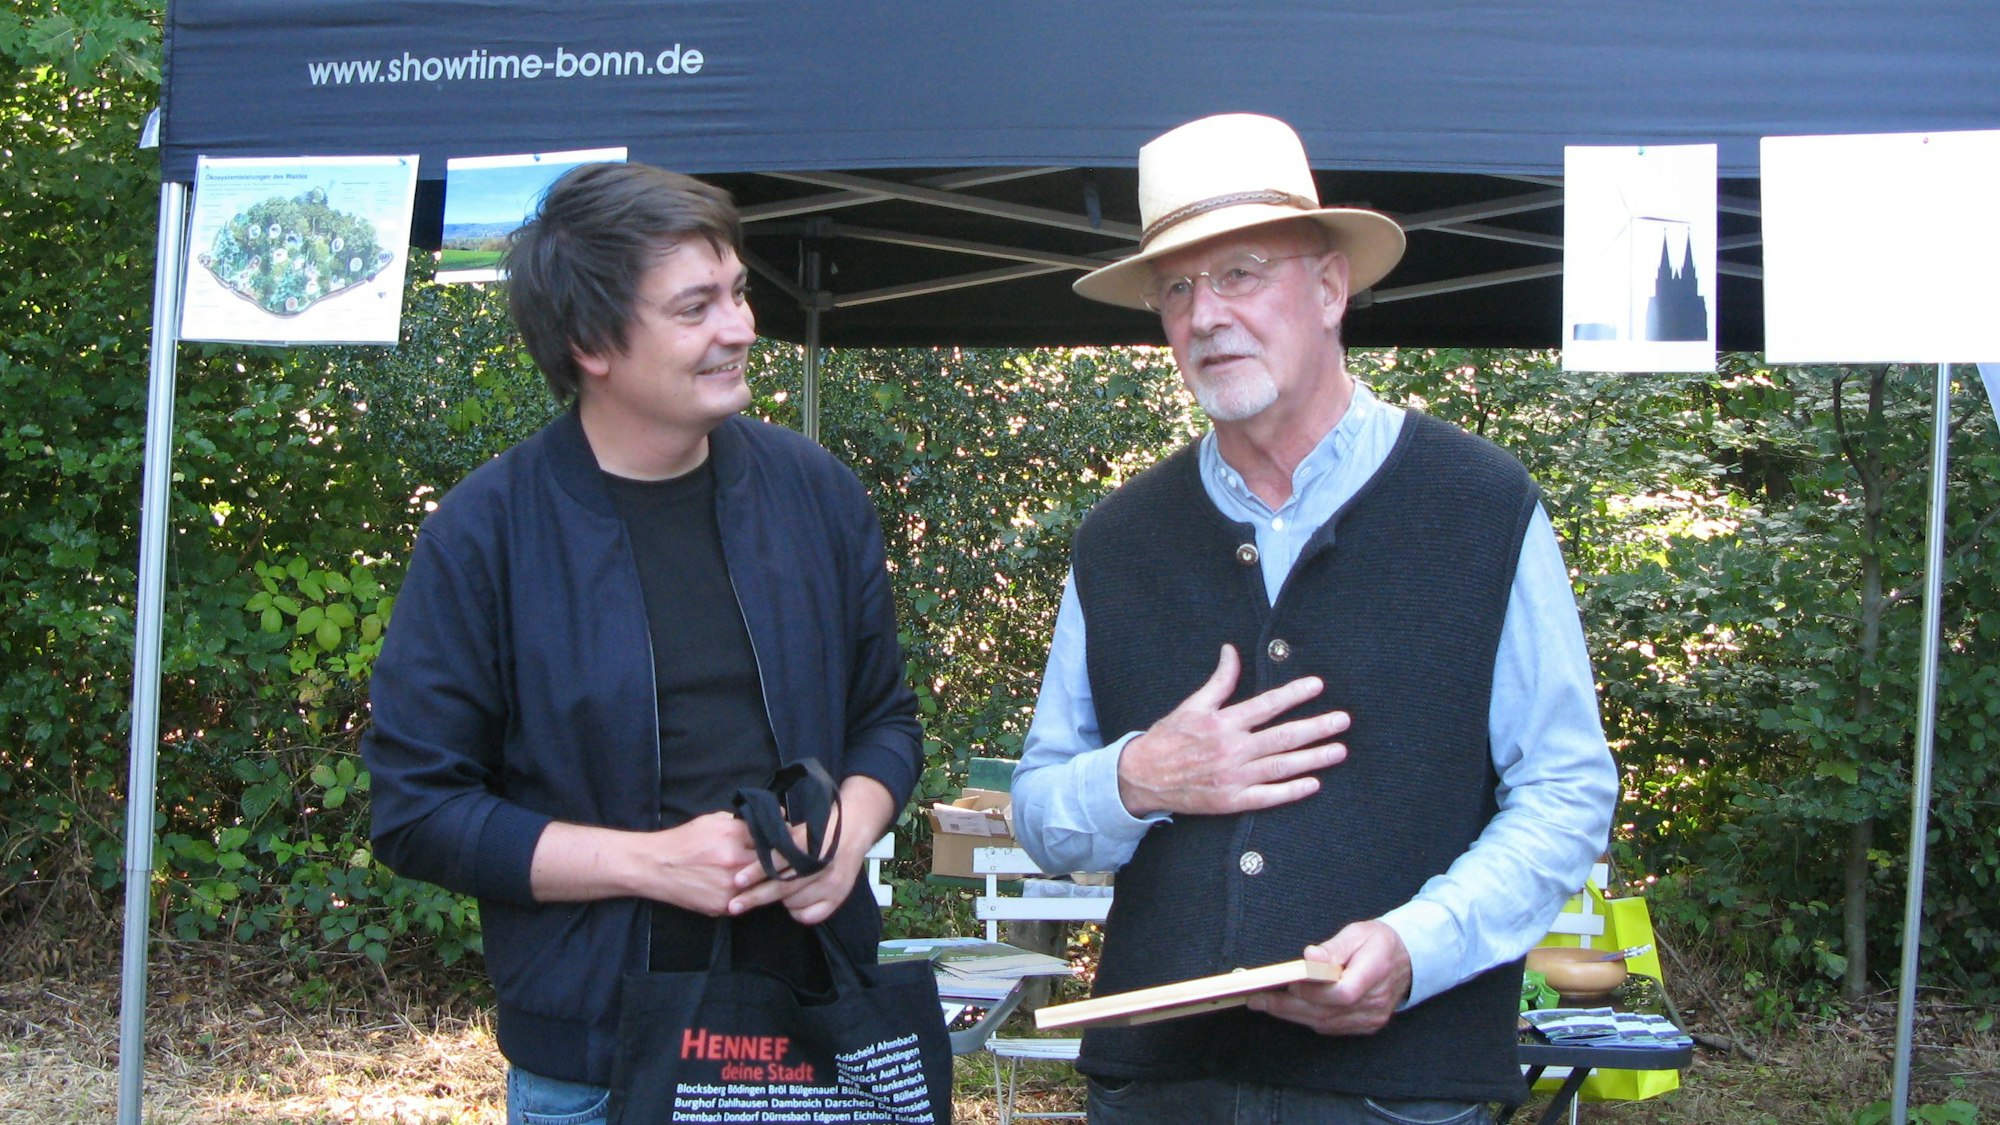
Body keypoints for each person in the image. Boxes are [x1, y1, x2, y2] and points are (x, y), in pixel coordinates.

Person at [1011, 114, 1619, 1122]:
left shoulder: (1477, 505)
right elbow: (1039, 810)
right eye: (1175, 288)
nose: (1204, 315)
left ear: (1329, 288)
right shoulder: (1116, 539)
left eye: (1240, 273)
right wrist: (1134, 778)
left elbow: (1563, 790)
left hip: (1400, 1091)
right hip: (1163, 1089)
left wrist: (1415, 947)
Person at [361, 162, 922, 1125]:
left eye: (739, 292)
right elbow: (418, 810)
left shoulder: (816, 494)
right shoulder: (487, 534)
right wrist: (648, 862)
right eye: (697, 306)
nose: (742, 327)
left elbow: (886, 721)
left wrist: (853, 831)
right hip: (597, 1059)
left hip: (815, 1032)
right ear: (591, 342)